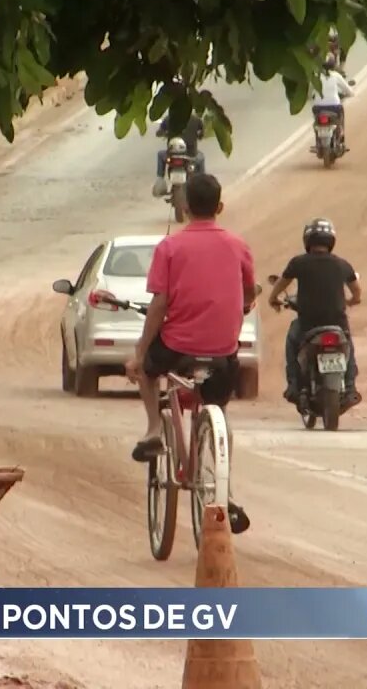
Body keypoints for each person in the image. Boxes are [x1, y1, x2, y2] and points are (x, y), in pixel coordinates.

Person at [125, 173, 256, 534]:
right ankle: (223, 479)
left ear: (184, 207)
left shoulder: (169, 248)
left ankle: (154, 429)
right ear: (220, 207)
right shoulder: (238, 246)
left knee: (149, 370)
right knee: (221, 409)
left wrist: (139, 353)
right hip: (222, 350)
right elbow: (249, 295)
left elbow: (159, 304)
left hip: (178, 346)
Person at [267, 219, 363, 408]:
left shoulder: (298, 263)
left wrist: (273, 298)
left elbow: (281, 284)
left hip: (307, 323)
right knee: (348, 349)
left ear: (307, 240)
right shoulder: (342, 264)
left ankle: (294, 386)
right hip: (337, 322)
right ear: (331, 241)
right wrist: (351, 301)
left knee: (291, 343)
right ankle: (351, 387)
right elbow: (357, 292)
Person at [310, 62, 355, 152]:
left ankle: (317, 141)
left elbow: (310, 93)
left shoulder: (315, 76)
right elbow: (349, 91)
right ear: (333, 67)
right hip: (334, 106)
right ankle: (341, 137)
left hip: (318, 107)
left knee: (316, 121)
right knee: (340, 116)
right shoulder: (336, 76)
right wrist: (349, 94)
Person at [154, 112, 206, 188]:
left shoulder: (169, 118)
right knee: (201, 158)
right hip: (191, 154)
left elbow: (159, 132)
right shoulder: (196, 119)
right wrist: (198, 135)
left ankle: (160, 179)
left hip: (171, 155)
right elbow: (201, 134)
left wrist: (164, 133)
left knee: (160, 154)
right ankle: (202, 184)